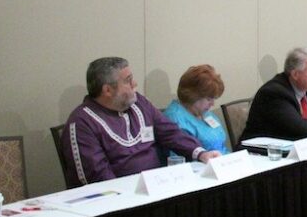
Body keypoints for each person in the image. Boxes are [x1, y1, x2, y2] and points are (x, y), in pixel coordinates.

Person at [63, 57, 221, 185]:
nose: (135, 84)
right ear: (107, 90)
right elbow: (96, 176)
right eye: (128, 80)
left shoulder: (139, 103)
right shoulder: (82, 123)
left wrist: (201, 153)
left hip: (156, 188)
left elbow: (170, 133)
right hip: (120, 202)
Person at [163, 64, 230, 155]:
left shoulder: (205, 112)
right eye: (209, 99)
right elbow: (179, 157)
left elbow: (221, 143)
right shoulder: (175, 118)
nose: (213, 104)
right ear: (193, 95)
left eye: (214, 99)